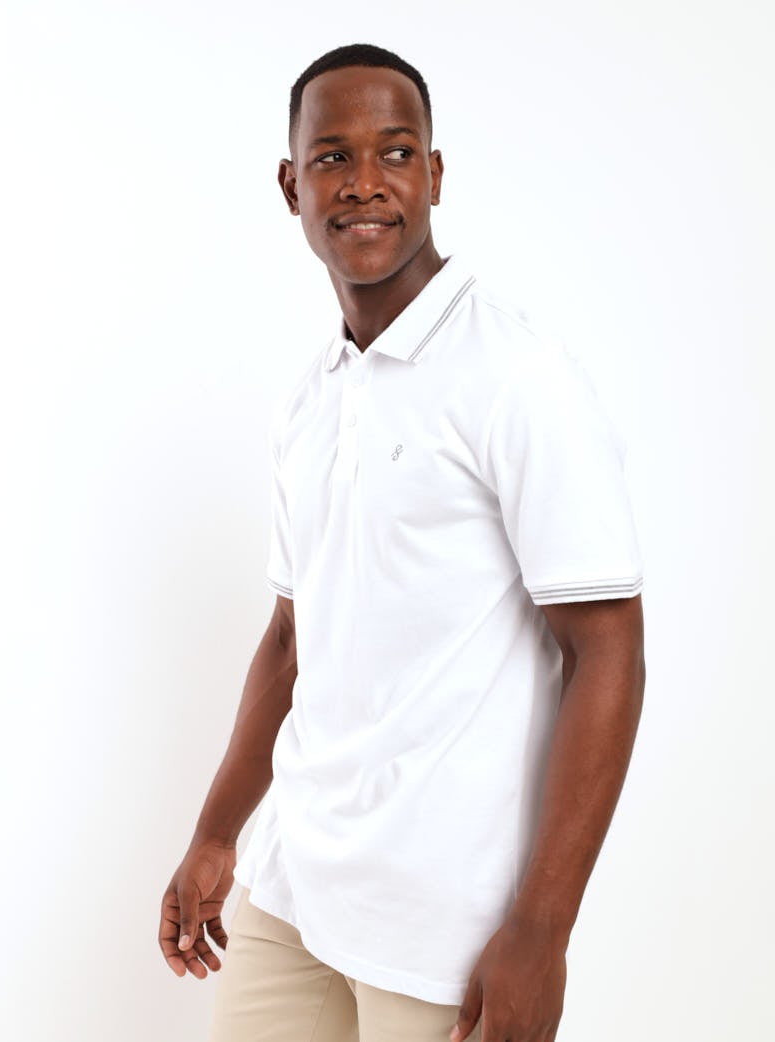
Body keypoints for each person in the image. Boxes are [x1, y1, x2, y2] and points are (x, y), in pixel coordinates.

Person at [158, 42, 646, 1042]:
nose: (364, 181)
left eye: (394, 151)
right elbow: (290, 641)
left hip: (443, 930)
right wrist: (215, 832)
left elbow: (607, 649)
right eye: (332, 157)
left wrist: (542, 930)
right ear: (292, 186)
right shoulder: (311, 398)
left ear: (434, 172)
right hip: (294, 891)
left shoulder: (518, 377)